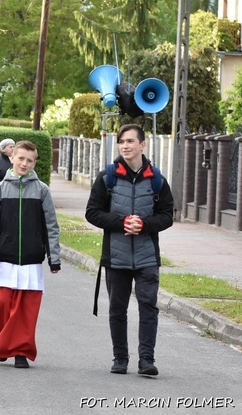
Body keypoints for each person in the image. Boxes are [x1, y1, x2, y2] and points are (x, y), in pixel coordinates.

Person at [85, 123, 174, 376]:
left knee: (148, 307)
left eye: (130, 141)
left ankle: (147, 360)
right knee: (117, 309)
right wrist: (121, 222)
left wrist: (144, 225)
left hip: (147, 257)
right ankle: (120, 358)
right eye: (122, 141)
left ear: (142, 145)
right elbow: (92, 213)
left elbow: (167, 215)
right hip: (116, 255)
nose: (125, 146)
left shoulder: (156, 179)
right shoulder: (107, 177)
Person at [0, 140, 61, 369]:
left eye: (30, 160)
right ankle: (4, 340)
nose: (25, 163)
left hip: (32, 259)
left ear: (35, 163)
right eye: (21, 158)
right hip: (6, 257)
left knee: (26, 309)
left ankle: (21, 351)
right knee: (1, 304)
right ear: (12, 157)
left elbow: (51, 226)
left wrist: (54, 257)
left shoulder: (42, 190)